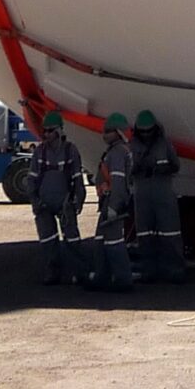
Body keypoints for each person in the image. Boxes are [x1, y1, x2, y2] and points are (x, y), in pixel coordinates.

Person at [29, 111, 88, 285]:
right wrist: (35, 202)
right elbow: (31, 179)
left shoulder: (71, 150)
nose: (46, 134)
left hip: (65, 202)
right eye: (44, 131)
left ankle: (80, 272)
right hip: (44, 203)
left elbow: (78, 177)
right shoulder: (39, 152)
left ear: (59, 131)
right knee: (47, 239)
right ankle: (52, 272)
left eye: (50, 130)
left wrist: (79, 199)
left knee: (72, 238)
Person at [129, 109, 186, 282]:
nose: (146, 135)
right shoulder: (132, 146)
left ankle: (175, 270)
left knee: (170, 233)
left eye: (149, 131)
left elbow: (176, 166)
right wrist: (138, 169)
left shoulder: (164, 144)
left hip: (163, 192)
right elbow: (127, 170)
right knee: (145, 234)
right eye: (143, 131)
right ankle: (149, 270)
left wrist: (161, 169)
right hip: (142, 194)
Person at [84, 113, 135, 293]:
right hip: (108, 202)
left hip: (112, 202)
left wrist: (114, 206)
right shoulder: (117, 152)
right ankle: (102, 276)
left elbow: (118, 181)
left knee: (114, 242)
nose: (104, 135)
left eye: (108, 131)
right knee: (101, 240)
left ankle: (122, 279)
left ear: (118, 133)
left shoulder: (118, 153)